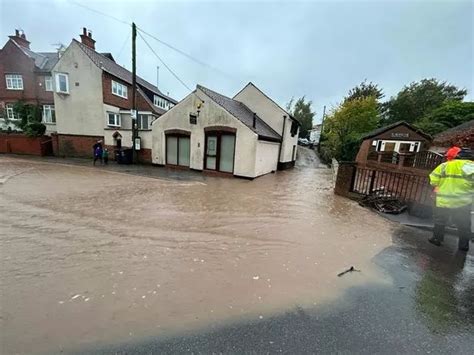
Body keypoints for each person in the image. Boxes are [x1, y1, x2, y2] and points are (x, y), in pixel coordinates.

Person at [428, 146, 474, 251]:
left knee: (440, 220)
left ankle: (437, 239)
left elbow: (433, 181)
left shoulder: (444, 166)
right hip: (462, 202)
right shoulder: (472, 167)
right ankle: (463, 246)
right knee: (464, 224)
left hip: (443, 200)